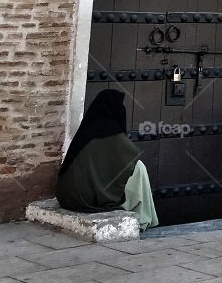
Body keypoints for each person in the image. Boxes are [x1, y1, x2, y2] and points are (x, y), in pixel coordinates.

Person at [56, 88, 159, 229]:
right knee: (139, 168)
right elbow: (130, 156)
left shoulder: (88, 127)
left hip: (67, 196)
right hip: (86, 198)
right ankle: (143, 219)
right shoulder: (110, 130)